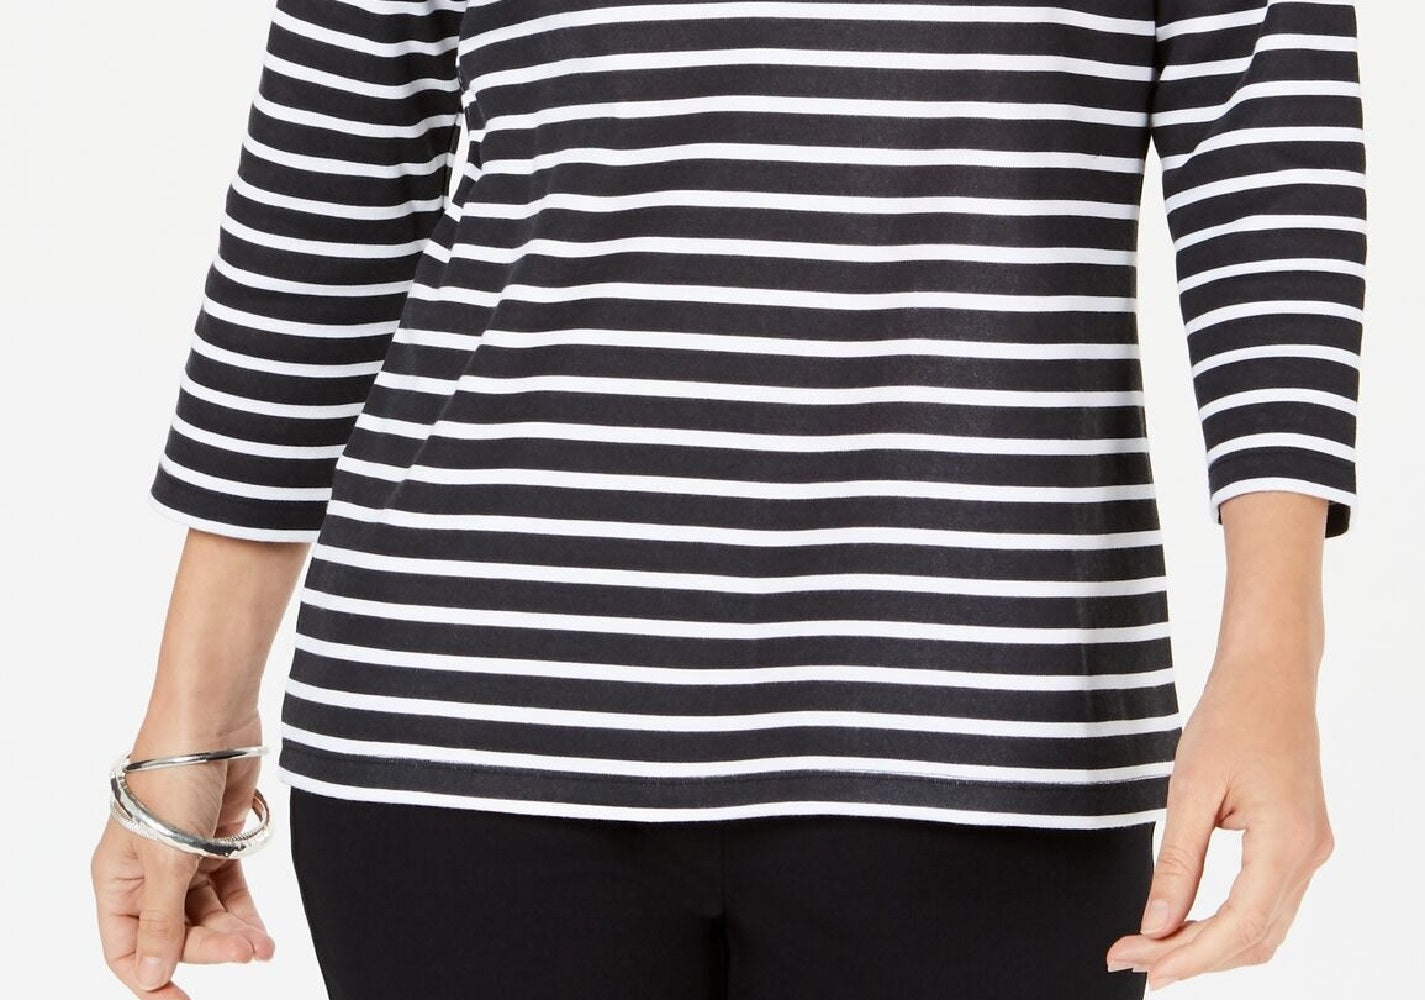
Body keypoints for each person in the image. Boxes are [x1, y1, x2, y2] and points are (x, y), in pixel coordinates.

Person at [90, 1, 1364, 997]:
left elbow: (1266, 162)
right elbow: (326, 198)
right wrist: (190, 724)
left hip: (985, 731)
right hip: (468, 728)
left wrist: (1275, 656)